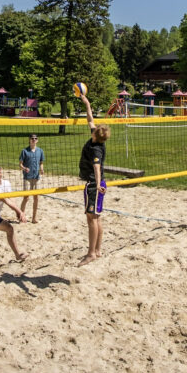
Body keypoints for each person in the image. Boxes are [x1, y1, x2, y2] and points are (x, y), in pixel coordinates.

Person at [77, 92, 111, 266]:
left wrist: (97, 185)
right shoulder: (95, 137)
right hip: (94, 184)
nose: (93, 127)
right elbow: (90, 118)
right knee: (96, 218)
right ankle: (97, 250)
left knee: (92, 218)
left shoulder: (96, 148)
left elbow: (97, 167)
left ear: (97, 135)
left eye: (96, 129)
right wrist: (86, 102)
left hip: (93, 185)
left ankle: (91, 253)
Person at [19, 134, 45, 223]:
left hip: (36, 177)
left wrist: (41, 169)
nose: (34, 140)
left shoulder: (40, 151)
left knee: (36, 197)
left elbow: (41, 162)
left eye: (35, 138)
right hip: (27, 177)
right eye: (32, 138)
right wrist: (24, 168)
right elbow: (20, 164)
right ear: (29, 140)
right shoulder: (24, 151)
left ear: (37, 140)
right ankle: (21, 216)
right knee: (26, 197)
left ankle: (34, 218)